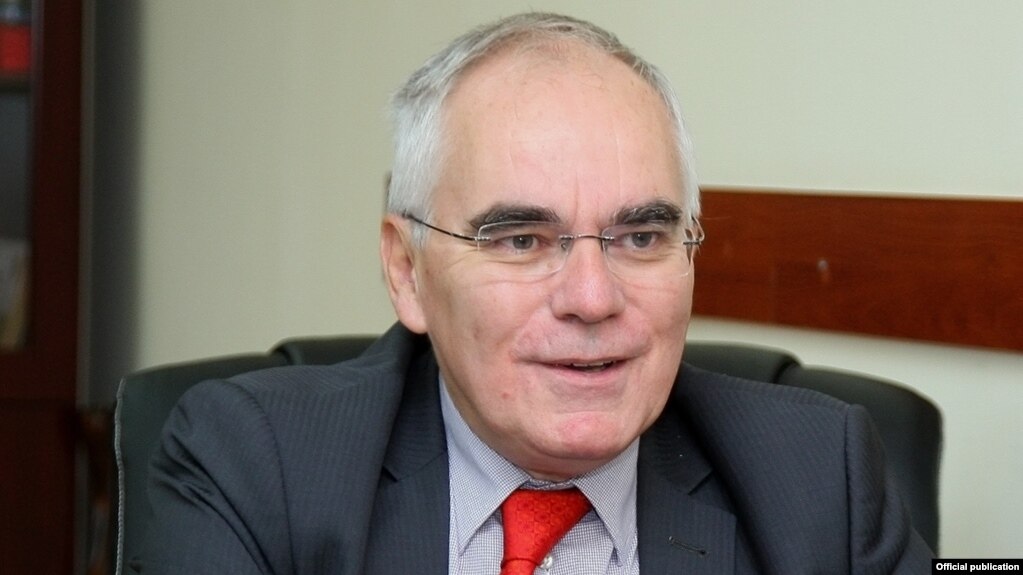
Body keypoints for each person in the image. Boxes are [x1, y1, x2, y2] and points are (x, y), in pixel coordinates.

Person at [140, 12, 933, 574]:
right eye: (521, 239)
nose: (591, 297)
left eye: (640, 236)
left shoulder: (816, 471)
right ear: (406, 271)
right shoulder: (256, 464)